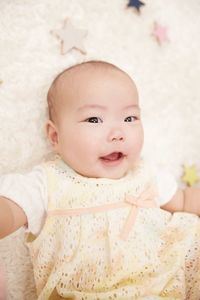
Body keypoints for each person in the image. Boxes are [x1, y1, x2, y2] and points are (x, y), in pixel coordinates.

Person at [0, 60, 200, 300]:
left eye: (130, 118)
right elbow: (10, 211)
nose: (118, 133)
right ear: (55, 136)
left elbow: (186, 201)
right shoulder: (48, 183)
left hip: (162, 285)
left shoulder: (145, 174)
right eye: (94, 120)